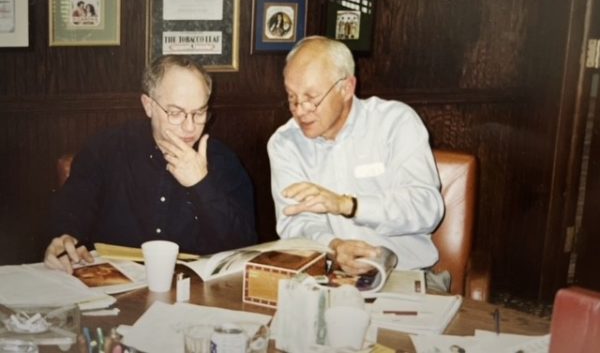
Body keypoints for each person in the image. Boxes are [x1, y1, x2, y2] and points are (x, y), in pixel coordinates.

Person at [44, 55, 257, 273]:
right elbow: (73, 209)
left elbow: (243, 248)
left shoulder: (223, 161)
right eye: (175, 113)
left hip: (192, 289)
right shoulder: (107, 148)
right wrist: (65, 237)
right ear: (148, 105)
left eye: (199, 112)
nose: (190, 127)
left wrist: (201, 184)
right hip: (117, 288)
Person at [268, 36, 444, 276]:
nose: (299, 110)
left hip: (405, 274)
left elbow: (426, 209)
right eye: (291, 97)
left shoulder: (395, 122)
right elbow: (294, 222)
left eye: (311, 98)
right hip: (328, 276)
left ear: (346, 88)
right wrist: (335, 246)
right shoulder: (285, 143)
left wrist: (348, 205)